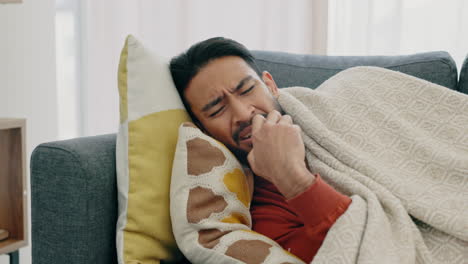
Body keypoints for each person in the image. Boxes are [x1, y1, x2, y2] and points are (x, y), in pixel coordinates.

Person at [170, 37, 351, 263]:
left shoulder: (340, 116)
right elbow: (356, 247)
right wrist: (291, 177)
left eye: (246, 89)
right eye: (217, 110)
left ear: (271, 85)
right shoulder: (262, 216)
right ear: (202, 129)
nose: (244, 114)